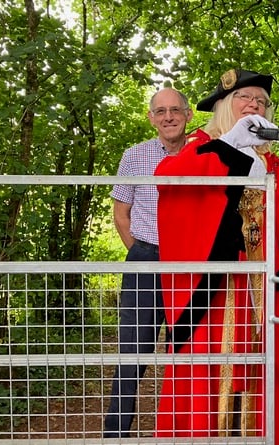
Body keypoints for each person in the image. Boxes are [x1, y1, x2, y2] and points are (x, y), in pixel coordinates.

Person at [153, 69, 279, 442]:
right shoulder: (203, 144)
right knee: (211, 366)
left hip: (258, 287)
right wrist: (229, 146)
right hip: (212, 289)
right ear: (225, 107)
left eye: (261, 102)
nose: (254, 105)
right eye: (245, 98)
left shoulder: (271, 162)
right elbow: (168, 178)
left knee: (258, 365)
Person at [105, 88, 193, 437]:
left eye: (175, 110)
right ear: (151, 117)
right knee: (132, 353)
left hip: (192, 263)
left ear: (188, 115)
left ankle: (183, 430)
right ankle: (115, 433)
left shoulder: (205, 154)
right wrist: (142, 252)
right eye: (160, 111)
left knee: (188, 352)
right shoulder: (134, 156)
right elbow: (121, 213)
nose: (168, 117)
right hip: (145, 257)